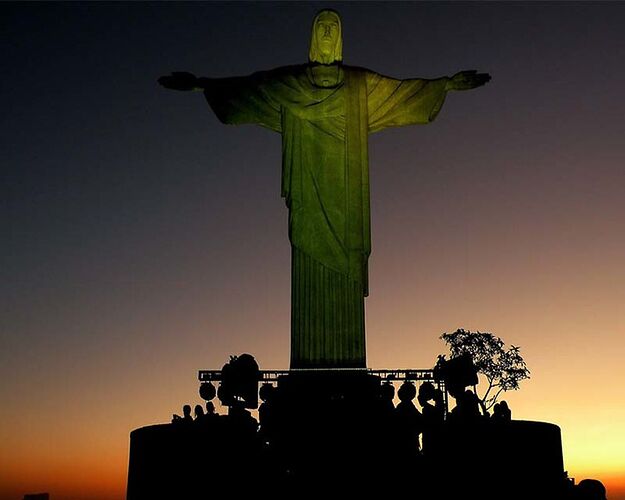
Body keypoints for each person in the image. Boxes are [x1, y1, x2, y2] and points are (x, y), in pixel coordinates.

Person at [159, 10, 490, 369]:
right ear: (314, 38)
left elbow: (401, 93)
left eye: (335, 28)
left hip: (345, 200)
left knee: (344, 266)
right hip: (308, 197)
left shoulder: (359, 86)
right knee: (308, 260)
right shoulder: (291, 84)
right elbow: (249, 89)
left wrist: (444, 85)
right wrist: (203, 85)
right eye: (323, 28)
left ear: (341, 38)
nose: (329, 33)